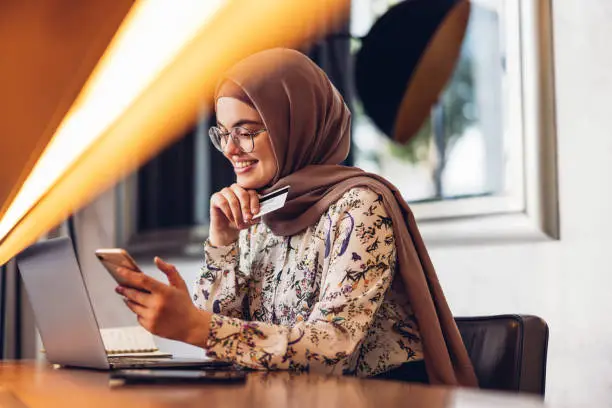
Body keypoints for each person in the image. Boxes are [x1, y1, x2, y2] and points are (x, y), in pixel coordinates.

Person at [115, 48, 477, 386]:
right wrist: (222, 243)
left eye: (245, 132)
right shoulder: (264, 212)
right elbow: (228, 343)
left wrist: (197, 326)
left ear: (295, 123)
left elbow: (333, 347)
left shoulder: (358, 207)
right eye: (223, 133)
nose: (229, 149)